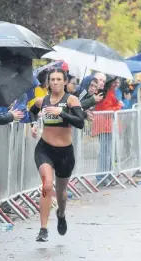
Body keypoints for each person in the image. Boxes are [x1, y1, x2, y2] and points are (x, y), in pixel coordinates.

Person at [29, 68, 85, 242]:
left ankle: (61, 214)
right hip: (44, 149)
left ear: (65, 81)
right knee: (46, 185)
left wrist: (62, 113)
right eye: (52, 79)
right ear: (48, 82)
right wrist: (33, 124)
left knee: (61, 192)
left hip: (65, 152)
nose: (55, 82)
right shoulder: (42, 101)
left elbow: (80, 122)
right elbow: (31, 111)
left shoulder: (71, 100)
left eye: (58, 79)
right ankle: (43, 229)